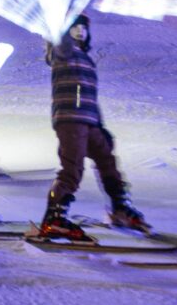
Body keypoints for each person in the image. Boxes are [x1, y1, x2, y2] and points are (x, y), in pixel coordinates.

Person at [39, 14, 146, 238]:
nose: (80, 32)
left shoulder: (86, 59)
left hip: (90, 120)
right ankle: (54, 217)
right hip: (70, 119)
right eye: (74, 28)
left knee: (108, 161)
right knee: (72, 168)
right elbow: (60, 42)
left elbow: (90, 96)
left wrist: (101, 125)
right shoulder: (62, 52)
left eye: (83, 28)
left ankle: (120, 208)